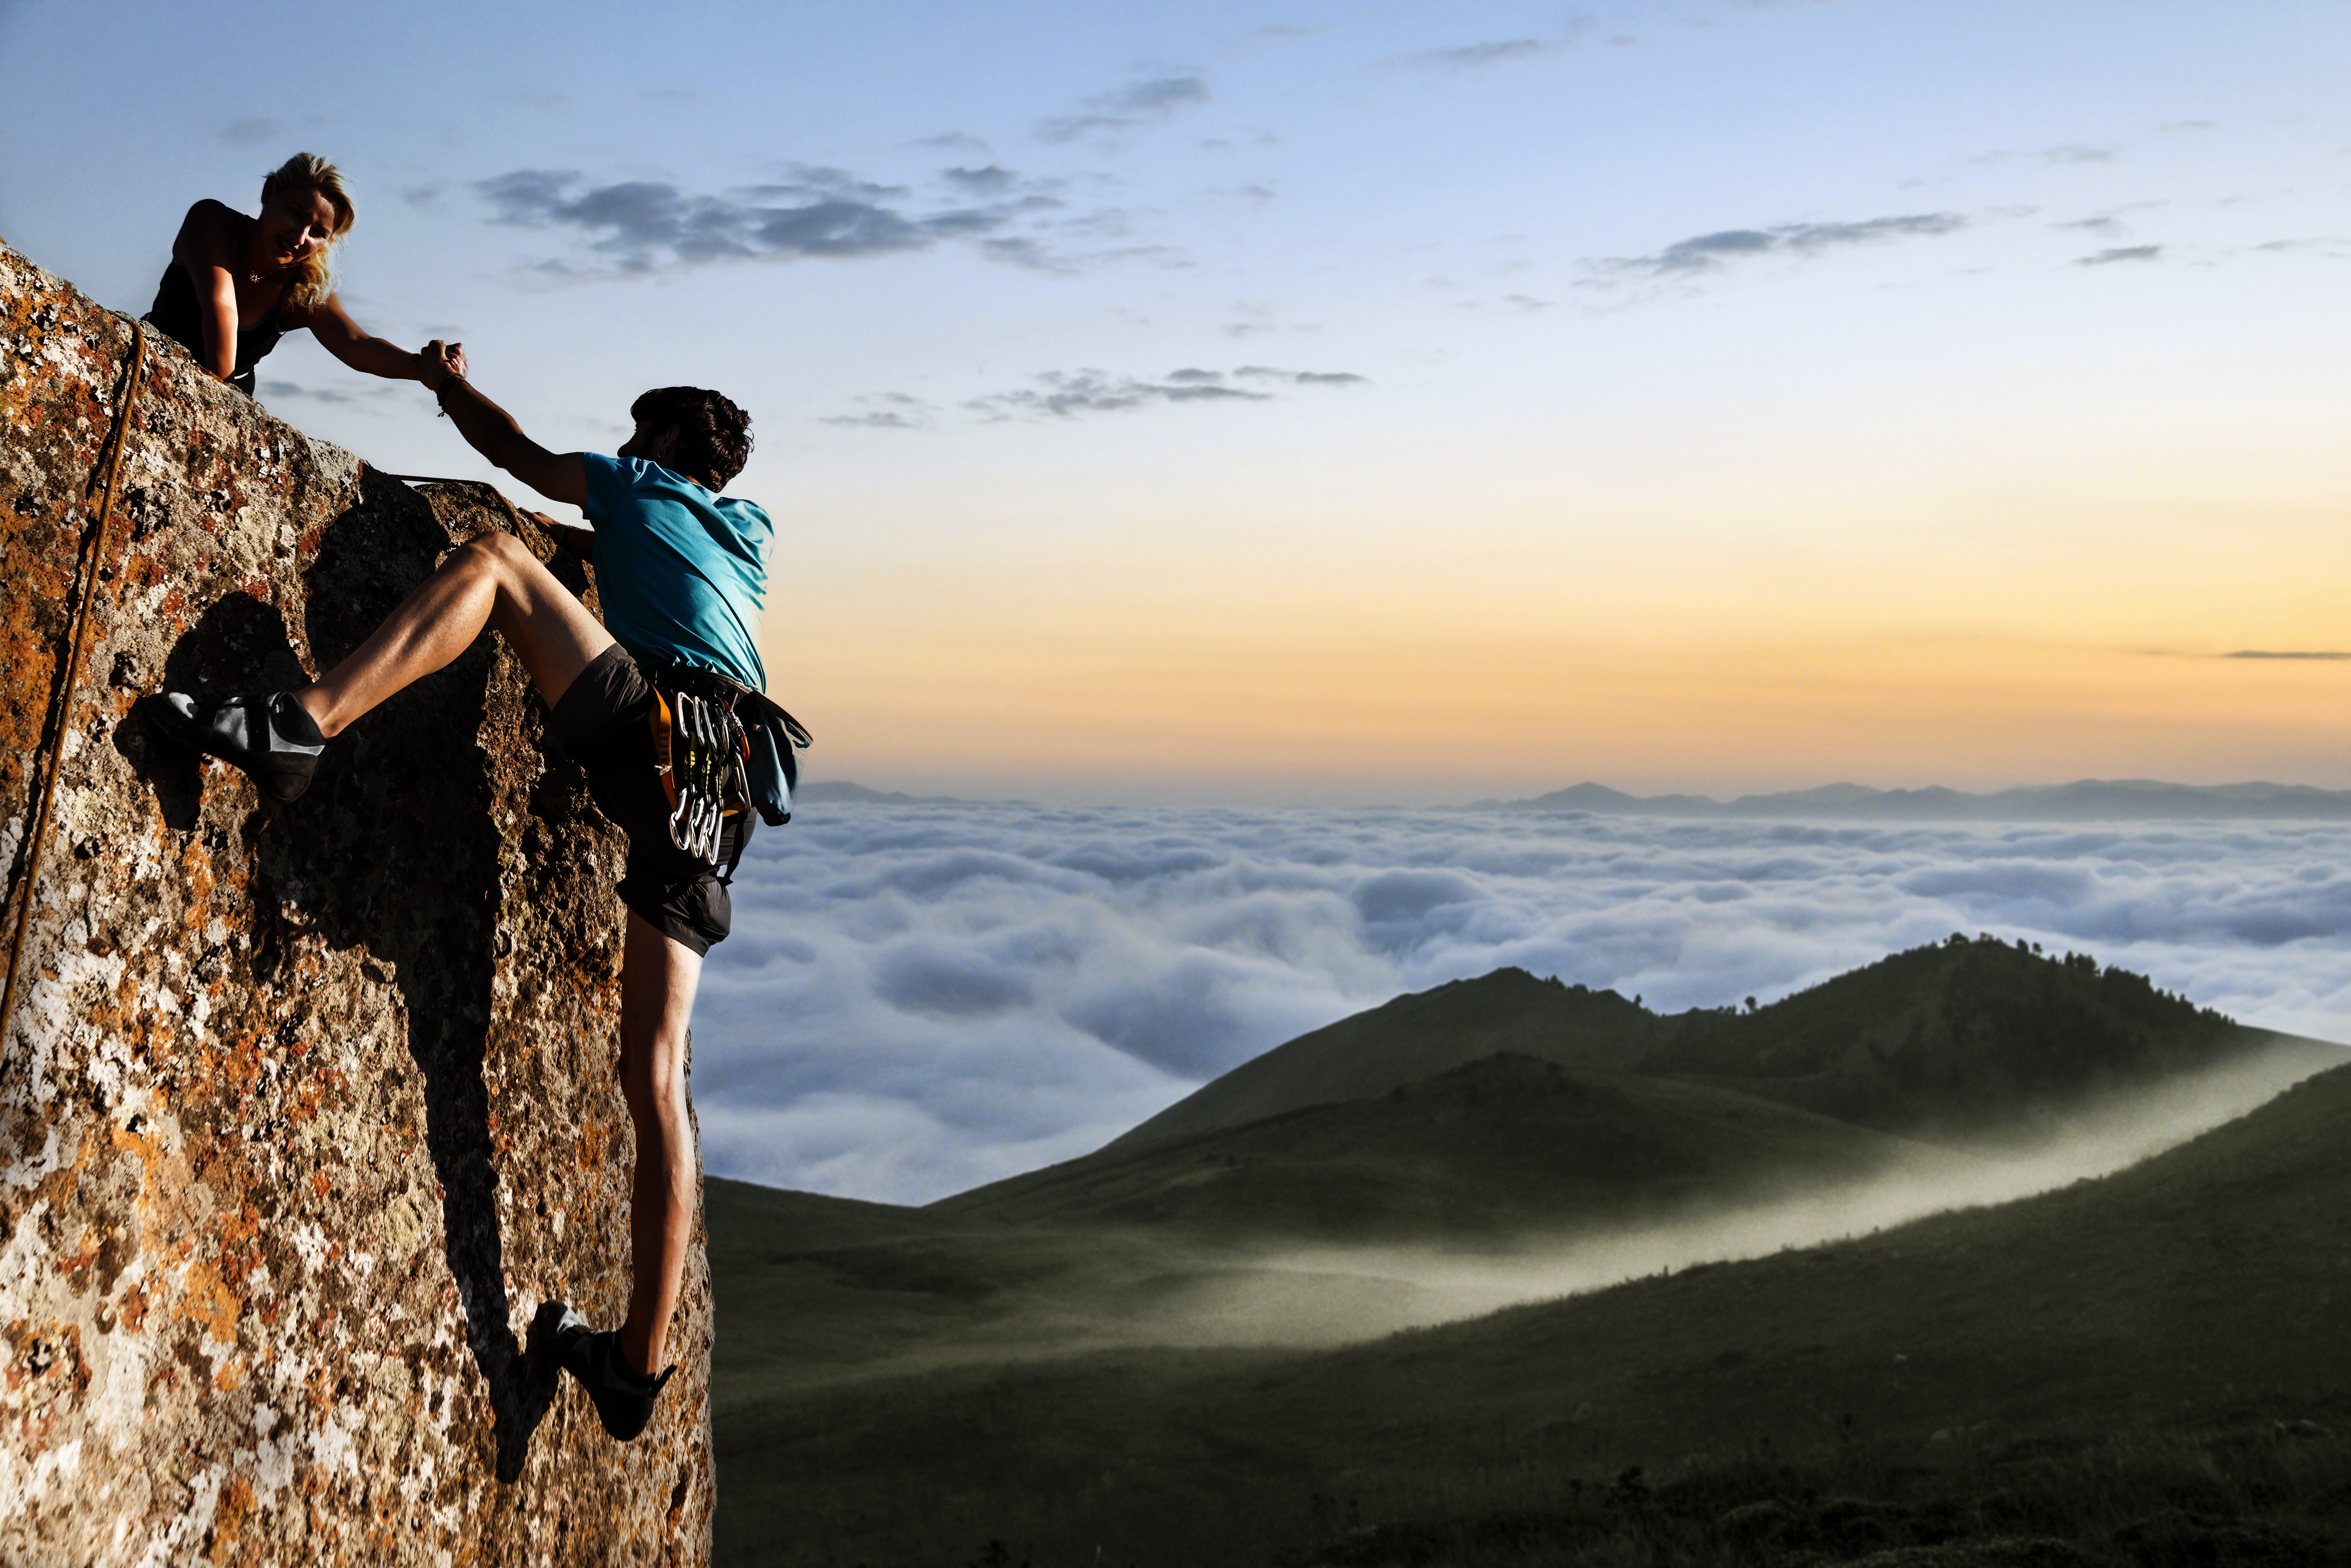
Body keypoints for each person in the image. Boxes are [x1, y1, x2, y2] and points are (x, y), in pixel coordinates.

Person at [151, 348, 781, 1443]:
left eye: (643, 434)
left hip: (658, 731)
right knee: (659, 1079)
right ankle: (634, 1367)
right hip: (726, 781)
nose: (627, 448)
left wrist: (444, 383)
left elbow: (515, 458)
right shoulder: (751, 535)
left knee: (492, 560)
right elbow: (657, 571)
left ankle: (304, 722)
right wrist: (599, 555)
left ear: (670, 442)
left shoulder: (636, 485)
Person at [146, 152, 459, 397]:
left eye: (318, 232)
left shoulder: (303, 290)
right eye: (296, 214)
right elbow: (221, 305)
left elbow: (357, 343)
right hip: (151, 367)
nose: (299, 237)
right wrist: (217, 396)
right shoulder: (211, 220)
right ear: (269, 192)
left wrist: (425, 369)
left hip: (229, 400)